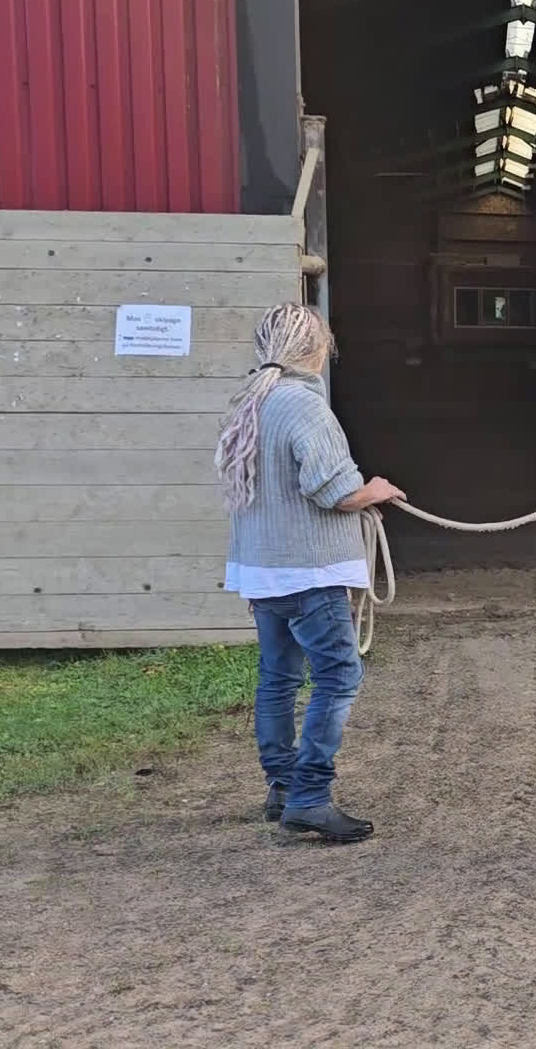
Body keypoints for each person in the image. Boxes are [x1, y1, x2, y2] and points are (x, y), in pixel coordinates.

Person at [214, 302, 404, 842]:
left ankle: (282, 786)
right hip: (309, 572)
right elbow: (335, 490)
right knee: (339, 676)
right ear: (314, 349)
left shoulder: (248, 404)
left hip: (263, 570)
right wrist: (376, 491)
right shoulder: (304, 405)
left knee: (277, 678)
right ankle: (311, 796)